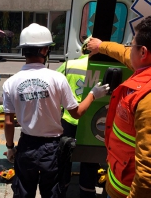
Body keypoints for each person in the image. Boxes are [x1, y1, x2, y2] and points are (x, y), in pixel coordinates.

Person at [2, 23, 110, 198]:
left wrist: (10, 147)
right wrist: (92, 94)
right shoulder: (57, 79)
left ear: (24, 50)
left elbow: (8, 122)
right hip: (51, 148)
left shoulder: (11, 82)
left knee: (23, 191)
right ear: (45, 50)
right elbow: (76, 113)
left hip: (26, 145)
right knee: (52, 191)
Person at [90, 15, 151, 198]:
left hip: (128, 191)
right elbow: (122, 52)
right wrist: (100, 46)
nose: (128, 49)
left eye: (132, 44)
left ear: (143, 52)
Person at [56, 49, 102, 198]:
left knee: (64, 158)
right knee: (90, 159)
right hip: (92, 122)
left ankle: (62, 189)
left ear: (82, 49)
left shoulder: (69, 64)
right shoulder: (102, 66)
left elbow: (54, 84)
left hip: (69, 119)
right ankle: (87, 192)